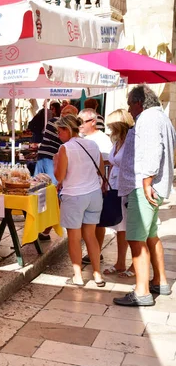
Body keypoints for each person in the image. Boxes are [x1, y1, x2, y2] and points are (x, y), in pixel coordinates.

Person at [114, 85, 176, 307]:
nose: (129, 110)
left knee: (136, 238)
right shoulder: (162, 118)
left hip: (144, 187)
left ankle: (142, 292)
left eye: (130, 103)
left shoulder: (148, 118)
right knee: (150, 235)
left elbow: (152, 151)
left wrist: (147, 181)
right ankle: (160, 281)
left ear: (139, 102)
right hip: (152, 186)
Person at [54, 114, 106, 287]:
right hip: (93, 194)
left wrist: (56, 163)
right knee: (90, 236)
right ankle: (97, 275)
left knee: (74, 238)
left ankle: (78, 276)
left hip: (74, 196)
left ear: (65, 130)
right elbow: (101, 171)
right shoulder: (92, 144)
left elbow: (59, 176)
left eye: (58, 132)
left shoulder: (65, 148)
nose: (58, 135)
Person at [102, 109, 135, 277]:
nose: (109, 129)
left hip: (127, 188)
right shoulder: (118, 142)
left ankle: (135, 265)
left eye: (111, 125)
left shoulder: (131, 141)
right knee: (120, 228)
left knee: (130, 228)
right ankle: (120, 262)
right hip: (115, 187)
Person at [78, 108, 113, 265]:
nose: (79, 126)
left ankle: (96, 252)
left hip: (96, 186)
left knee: (97, 222)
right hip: (83, 185)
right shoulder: (81, 137)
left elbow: (107, 164)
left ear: (93, 122)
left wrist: (103, 183)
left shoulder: (103, 140)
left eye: (82, 122)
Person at [34, 102, 62, 184]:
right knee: (52, 185)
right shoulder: (58, 123)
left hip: (43, 154)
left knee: (37, 184)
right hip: (51, 157)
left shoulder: (51, 121)